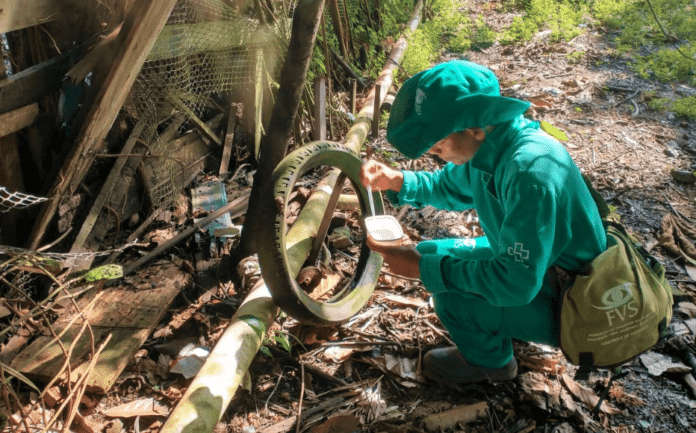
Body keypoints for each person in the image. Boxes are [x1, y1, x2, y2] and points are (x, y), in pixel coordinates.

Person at [360, 60, 607, 385]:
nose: (436, 155)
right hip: (541, 268)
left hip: (576, 298)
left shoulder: (529, 172)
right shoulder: (491, 146)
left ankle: (492, 364)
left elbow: (515, 281)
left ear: (474, 127)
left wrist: (424, 271)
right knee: (431, 250)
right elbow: (447, 186)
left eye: (438, 145)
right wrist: (397, 181)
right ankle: (502, 327)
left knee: (448, 292)